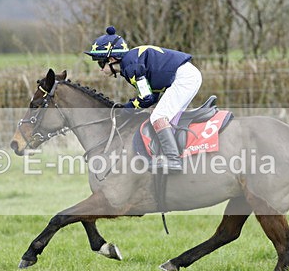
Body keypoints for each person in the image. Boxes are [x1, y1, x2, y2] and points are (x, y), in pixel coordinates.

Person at [85, 26, 202, 172]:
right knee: (166, 118)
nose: (100, 69)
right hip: (187, 75)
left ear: (112, 58)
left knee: (158, 117)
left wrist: (127, 108)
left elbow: (146, 98)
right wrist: (131, 106)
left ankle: (173, 159)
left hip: (184, 78)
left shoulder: (130, 66)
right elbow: (151, 96)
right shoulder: (130, 62)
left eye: (100, 63)